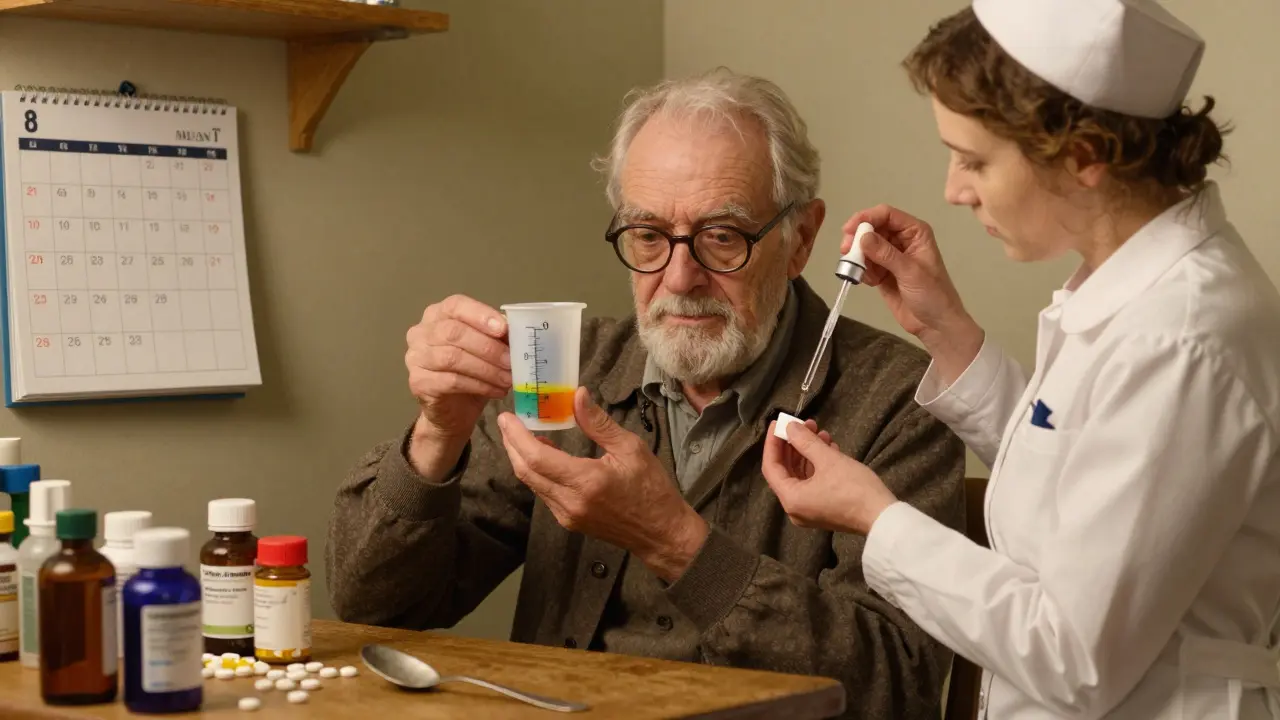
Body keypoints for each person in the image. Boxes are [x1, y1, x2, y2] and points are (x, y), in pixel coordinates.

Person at [326, 68, 968, 718]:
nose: (679, 276)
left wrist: (676, 542)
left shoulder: (898, 402)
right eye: (649, 236)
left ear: (798, 239)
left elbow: (899, 686)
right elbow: (373, 602)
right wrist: (438, 432)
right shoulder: (569, 371)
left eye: (722, 236)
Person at [761, 1, 1280, 718]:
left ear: (1083, 153)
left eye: (973, 159)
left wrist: (875, 519)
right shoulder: (1133, 290)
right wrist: (947, 332)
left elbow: (1072, 653)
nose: (953, 189)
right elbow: (1087, 482)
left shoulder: (1183, 337)